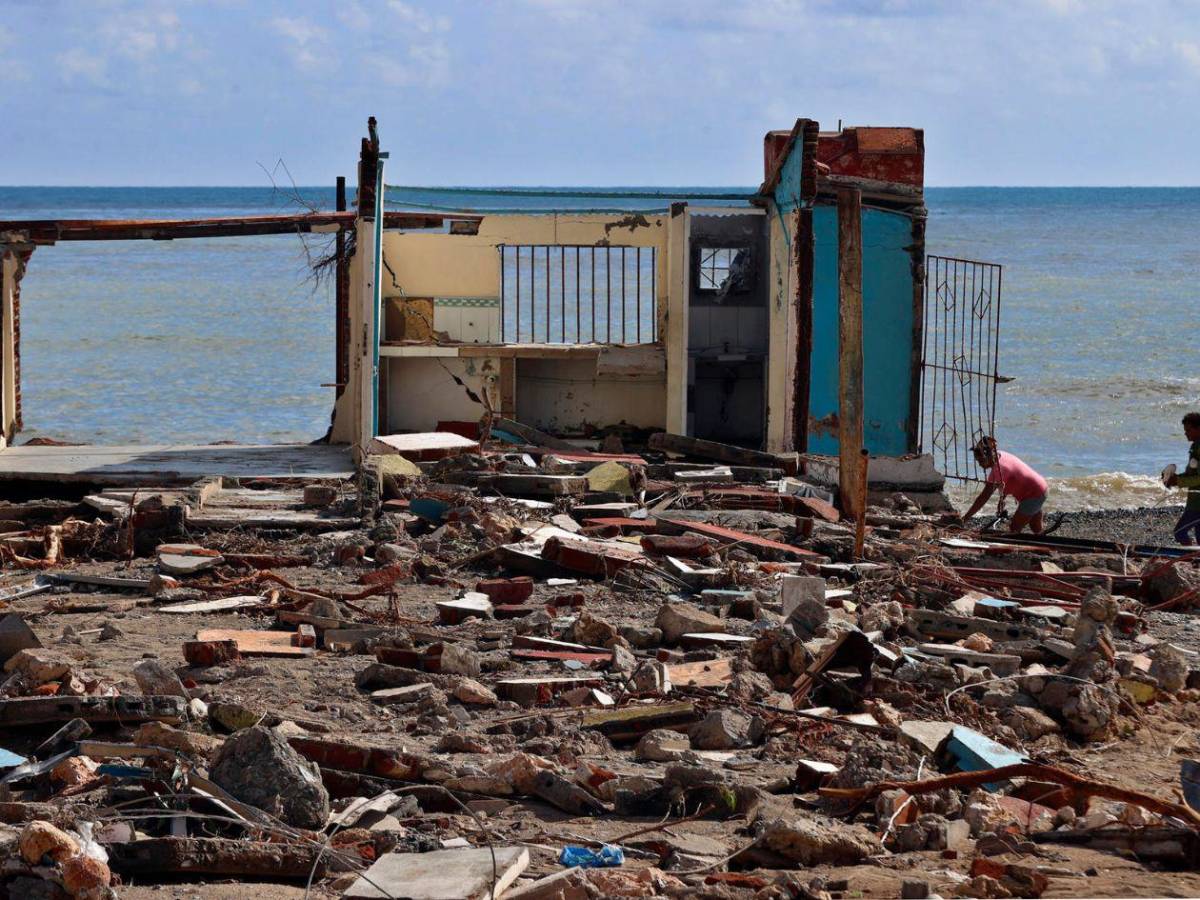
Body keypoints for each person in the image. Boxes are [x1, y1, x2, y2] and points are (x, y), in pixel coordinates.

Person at [954, 436, 1049, 534]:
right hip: (1040, 487)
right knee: (1036, 529)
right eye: (978, 461)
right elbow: (1011, 477)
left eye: (981, 461)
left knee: (1014, 528)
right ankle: (1044, 542)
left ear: (989, 456)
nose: (979, 464)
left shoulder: (998, 470)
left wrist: (965, 518)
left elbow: (983, 497)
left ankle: (1017, 548)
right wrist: (1002, 498)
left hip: (1034, 494)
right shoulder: (1001, 455)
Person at [1165, 412, 1200, 544]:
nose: (1186, 433)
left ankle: (1190, 559)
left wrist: (1178, 481)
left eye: (1188, 430)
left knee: (1180, 532)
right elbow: (1192, 475)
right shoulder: (1195, 446)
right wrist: (1175, 479)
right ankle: (1195, 561)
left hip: (1197, 505)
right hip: (1195, 502)